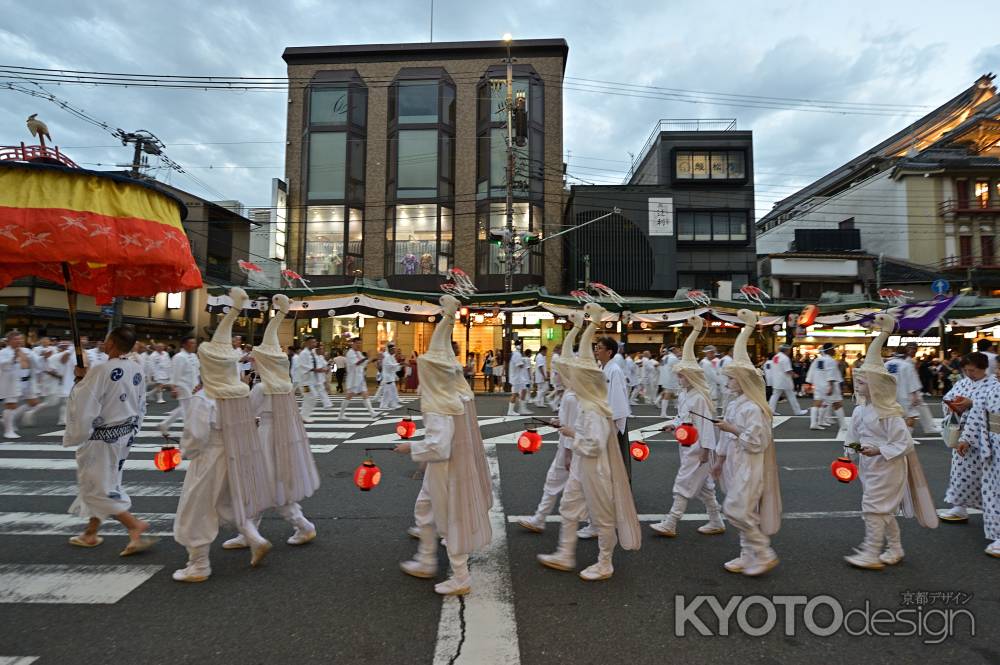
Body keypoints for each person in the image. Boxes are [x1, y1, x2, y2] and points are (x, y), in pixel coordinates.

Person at [172, 288, 276, 582]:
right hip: (237, 454)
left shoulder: (204, 397)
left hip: (211, 456)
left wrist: (188, 454)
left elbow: (194, 436)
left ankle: (199, 564)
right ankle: (254, 538)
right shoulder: (237, 393)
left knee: (198, 508)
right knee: (230, 502)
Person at [396, 295, 493, 596]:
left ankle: (460, 576)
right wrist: (447, 318)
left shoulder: (438, 404)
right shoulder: (459, 394)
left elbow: (439, 447)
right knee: (425, 508)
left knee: (449, 516)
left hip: (446, 468)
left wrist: (410, 448)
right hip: (454, 466)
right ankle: (426, 559)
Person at [536, 302, 640, 580]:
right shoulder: (584, 403)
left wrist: (571, 435)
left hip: (595, 466)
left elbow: (593, 443)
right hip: (583, 463)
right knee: (569, 506)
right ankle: (564, 552)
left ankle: (605, 562)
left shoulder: (594, 408)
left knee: (603, 515)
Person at [223, 294, 319, 550]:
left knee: (263, 484)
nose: (252, 361)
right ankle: (261, 530)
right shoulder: (284, 386)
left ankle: (296, 526)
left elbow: (245, 415)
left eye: (256, 359)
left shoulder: (261, 388)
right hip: (283, 438)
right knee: (273, 485)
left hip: (266, 437)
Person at [843, 313, 938, 569]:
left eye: (863, 382)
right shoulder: (860, 410)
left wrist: (879, 450)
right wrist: (848, 454)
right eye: (858, 380)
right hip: (869, 465)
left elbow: (904, 444)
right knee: (881, 509)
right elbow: (852, 436)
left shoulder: (890, 414)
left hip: (887, 466)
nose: (858, 384)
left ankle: (871, 552)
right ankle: (895, 549)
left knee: (873, 508)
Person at [63, 326, 157, 555]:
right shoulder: (136, 368)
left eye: (106, 340)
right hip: (124, 434)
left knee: (97, 486)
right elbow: (140, 403)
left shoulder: (101, 369)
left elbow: (85, 401)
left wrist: (79, 379)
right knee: (104, 480)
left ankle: (134, 526)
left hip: (103, 438)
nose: (104, 343)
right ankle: (90, 533)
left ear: (112, 344)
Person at [710, 310, 782, 577]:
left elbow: (757, 441)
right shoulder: (734, 404)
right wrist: (719, 461)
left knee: (737, 509)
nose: (727, 382)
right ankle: (746, 554)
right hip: (733, 463)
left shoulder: (754, 408)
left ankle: (763, 552)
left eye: (731, 378)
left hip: (750, 465)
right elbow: (726, 438)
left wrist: (732, 429)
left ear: (743, 382)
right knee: (744, 510)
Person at [653, 315, 725, 537]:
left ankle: (671, 522)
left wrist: (705, 450)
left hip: (697, 447)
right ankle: (716, 520)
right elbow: (682, 418)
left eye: (682, 376)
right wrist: (672, 426)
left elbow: (706, 427)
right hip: (686, 443)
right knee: (704, 488)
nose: (679, 379)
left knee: (683, 482)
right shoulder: (686, 395)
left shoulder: (700, 398)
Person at [519, 315, 583, 533]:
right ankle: (539, 518)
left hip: (572, 449)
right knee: (559, 484)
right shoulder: (571, 395)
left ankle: (595, 524)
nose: (555, 376)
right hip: (570, 447)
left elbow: (574, 428)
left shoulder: (572, 397)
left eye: (558, 373)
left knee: (574, 491)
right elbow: (571, 423)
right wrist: (558, 422)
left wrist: (566, 452)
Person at [938, 352, 996, 523]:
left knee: (989, 477)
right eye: (967, 370)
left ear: (984, 368)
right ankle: (959, 507)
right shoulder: (963, 382)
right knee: (960, 473)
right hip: (961, 433)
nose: (970, 374)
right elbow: (947, 398)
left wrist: (971, 403)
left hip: (986, 438)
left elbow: (990, 408)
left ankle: (991, 512)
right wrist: (953, 404)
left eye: (973, 370)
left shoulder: (992, 385)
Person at [158, 336, 200, 438]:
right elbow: (175, 374)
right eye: (192, 343)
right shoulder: (179, 357)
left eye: (195, 343)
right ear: (184, 344)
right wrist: (173, 388)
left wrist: (199, 384)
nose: (194, 345)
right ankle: (189, 432)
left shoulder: (194, 356)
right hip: (183, 387)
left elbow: (197, 371)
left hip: (194, 387)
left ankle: (164, 424)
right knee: (188, 411)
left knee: (184, 409)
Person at [0, 331, 38, 439]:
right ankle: (8, 430)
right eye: (16, 339)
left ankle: (7, 420)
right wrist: (13, 357)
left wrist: (43, 357)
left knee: (33, 402)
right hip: (12, 381)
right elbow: (2, 365)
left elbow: (37, 363)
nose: (19, 341)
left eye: (20, 339)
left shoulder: (27, 351)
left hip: (28, 381)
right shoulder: (4, 352)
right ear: (9, 341)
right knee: (11, 405)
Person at [885, 348, 922, 431]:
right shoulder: (907, 365)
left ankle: (894, 436)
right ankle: (906, 437)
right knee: (911, 415)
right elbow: (912, 381)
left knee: (892, 417)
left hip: (889, 395)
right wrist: (915, 395)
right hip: (904, 394)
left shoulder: (886, 364)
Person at [339, 337, 376, 419]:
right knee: (349, 396)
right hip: (353, 379)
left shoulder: (358, 353)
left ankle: (372, 413)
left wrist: (373, 359)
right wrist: (368, 358)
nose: (359, 345)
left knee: (365, 394)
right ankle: (341, 414)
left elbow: (364, 362)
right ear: (353, 343)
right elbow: (357, 363)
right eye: (358, 343)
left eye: (360, 343)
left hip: (360, 377)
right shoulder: (350, 353)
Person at [297, 336, 332, 422]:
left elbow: (319, 363)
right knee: (310, 396)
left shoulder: (313, 353)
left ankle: (304, 416)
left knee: (311, 397)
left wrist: (325, 368)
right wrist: (319, 370)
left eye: (315, 342)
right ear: (307, 343)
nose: (314, 344)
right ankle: (303, 416)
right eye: (312, 342)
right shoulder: (303, 354)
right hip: (304, 382)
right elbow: (304, 367)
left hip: (311, 381)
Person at [768, 344, 807, 417]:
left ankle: (770, 411)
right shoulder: (785, 358)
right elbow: (787, 370)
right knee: (791, 396)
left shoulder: (775, 357)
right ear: (786, 350)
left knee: (774, 396)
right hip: (785, 380)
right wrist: (794, 375)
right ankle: (797, 411)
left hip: (776, 380)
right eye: (789, 350)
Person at [507, 344, 531, 416]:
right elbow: (519, 365)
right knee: (515, 394)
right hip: (516, 378)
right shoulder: (517, 355)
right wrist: (524, 363)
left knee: (523, 390)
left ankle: (522, 408)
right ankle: (511, 411)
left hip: (518, 378)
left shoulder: (515, 354)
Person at [659, 345, 681, 418]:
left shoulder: (665, 357)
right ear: (674, 349)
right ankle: (663, 413)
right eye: (678, 349)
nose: (679, 350)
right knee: (669, 394)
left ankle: (664, 412)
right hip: (671, 378)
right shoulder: (673, 358)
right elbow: (678, 369)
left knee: (673, 394)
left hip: (665, 378)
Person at [379, 342, 403, 410]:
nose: (394, 351)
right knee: (388, 392)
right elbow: (390, 366)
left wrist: (399, 365)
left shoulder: (391, 357)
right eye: (393, 349)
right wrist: (399, 364)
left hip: (390, 377)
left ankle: (393, 404)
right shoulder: (387, 357)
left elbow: (394, 365)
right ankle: (384, 405)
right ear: (390, 350)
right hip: (387, 377)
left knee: (392, 391)